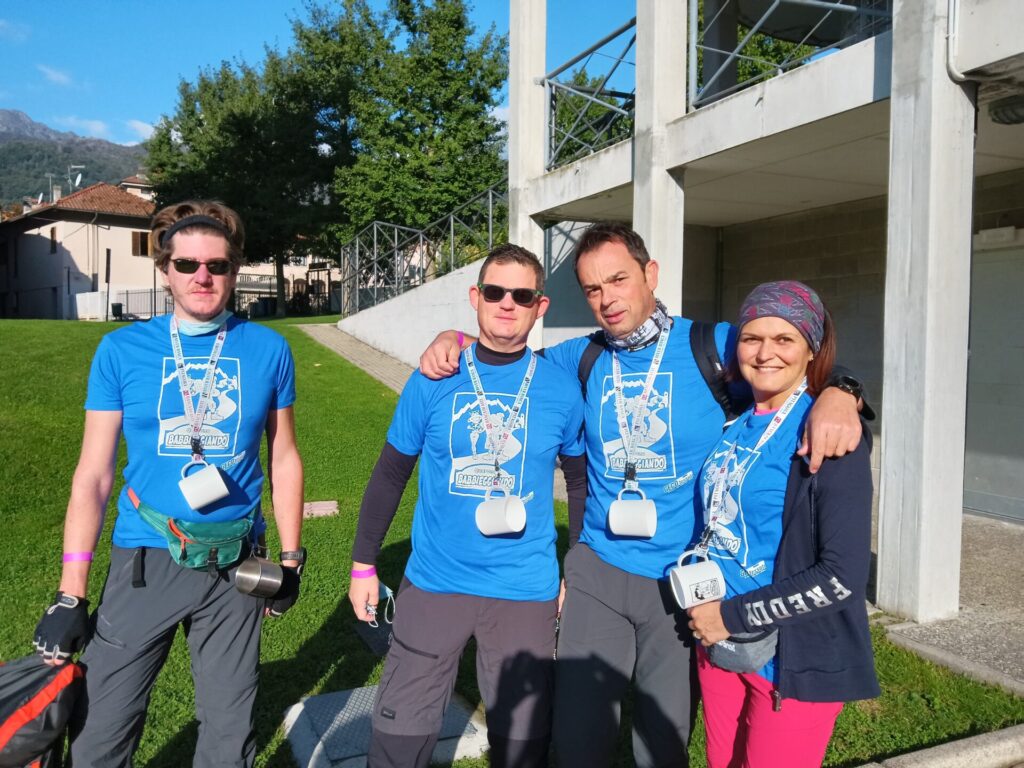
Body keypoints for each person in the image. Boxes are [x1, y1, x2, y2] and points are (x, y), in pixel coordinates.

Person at [418, 223, 866, 768]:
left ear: (650, 275)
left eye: (618, 279)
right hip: (599, 573)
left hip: (681, 584)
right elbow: (505, 353)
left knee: (662, 744)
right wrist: (454, 339)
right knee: (578, 740)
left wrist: (842, 391)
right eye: (591, 289)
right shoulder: (579, 357)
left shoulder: (715, 343)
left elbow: (788, 349)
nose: (606, 299)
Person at [32, 200, 305, 768]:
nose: (202, 276)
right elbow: (94, 474)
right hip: (146, 557)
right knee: (104, 726)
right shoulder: (122, 350)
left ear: (235, 270)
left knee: (229, 728)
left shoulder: (268, 349)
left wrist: (291, 556)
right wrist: (70, 592)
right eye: (187, 265)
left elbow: (283, 457)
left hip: (237, 565)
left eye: (217, 265)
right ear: (165, 271)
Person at [348, 244, 587, 768]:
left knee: (521, 738)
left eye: (521, 295)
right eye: (496, 292)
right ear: (475, 298)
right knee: (401, 730)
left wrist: (577, 563)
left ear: (539, 307)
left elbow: (578, 481)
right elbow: (391, 474)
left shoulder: (562, 389)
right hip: (437, 580)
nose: (507, 304)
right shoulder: (434, 377)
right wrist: (364, 563)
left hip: (525, 588)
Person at [686, 280, 878, 768]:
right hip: (720, 644)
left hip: (791, 658)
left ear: (811, 350)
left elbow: (841, 578)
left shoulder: (827, 432)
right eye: (752, 338)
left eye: (784, 339)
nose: (765, 352)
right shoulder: (736, 417)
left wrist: (727, 617)